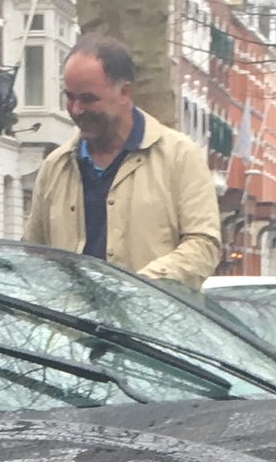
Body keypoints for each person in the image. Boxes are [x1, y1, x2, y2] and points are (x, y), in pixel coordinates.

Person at [23, 36, 222, 290]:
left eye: (88, 99)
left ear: (125, 93)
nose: (76, 109)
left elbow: (204, 245)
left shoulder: (181, 156)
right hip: (70, 328)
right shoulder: (55, 167)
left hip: (150, 326)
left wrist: (140, 286)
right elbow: (33, 253)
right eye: (69, 97)